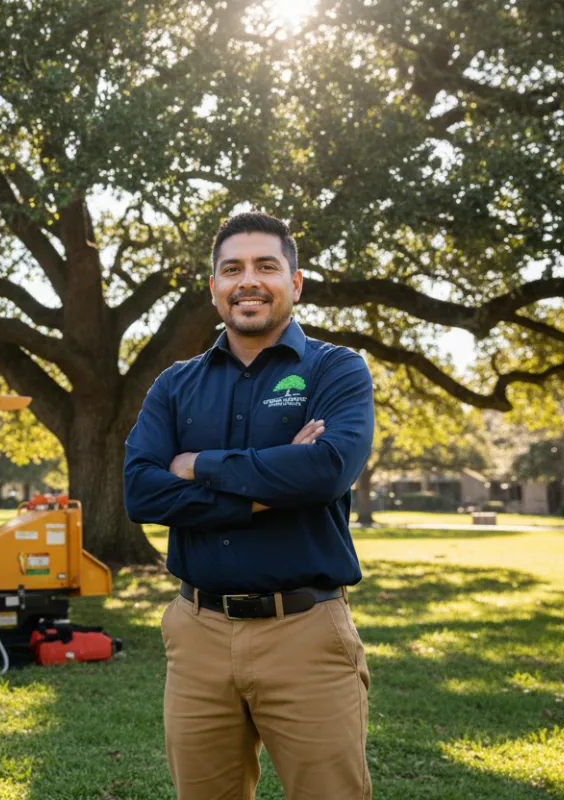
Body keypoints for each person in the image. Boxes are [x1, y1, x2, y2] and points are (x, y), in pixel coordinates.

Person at [123, 212, 374, 799]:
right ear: (214, 287)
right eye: (231, 269)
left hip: (306, 633)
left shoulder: (335, 369)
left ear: (296, 281)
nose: (248, 281)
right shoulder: (174, 384)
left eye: (266, 266)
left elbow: (326, 469)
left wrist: (199, 464)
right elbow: (141, 491)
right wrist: (267, 493)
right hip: (198, 634)